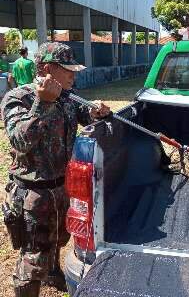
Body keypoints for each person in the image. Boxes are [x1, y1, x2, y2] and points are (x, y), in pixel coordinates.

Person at [0, 42, 110, 297]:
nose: (74, 74)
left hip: (62, 187)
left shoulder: (67, 96)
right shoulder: (19, 98)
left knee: (60, 238)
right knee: (32, 257)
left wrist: (97, 112)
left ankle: (53, 272)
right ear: (48, 69)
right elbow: (19, 140)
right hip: (32, 194)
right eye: (68, 69)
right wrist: (43, 103)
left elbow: (85, 113)